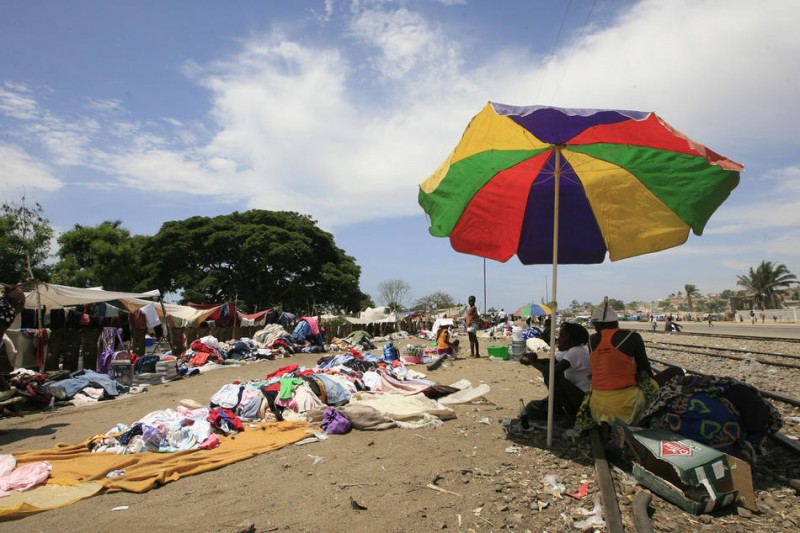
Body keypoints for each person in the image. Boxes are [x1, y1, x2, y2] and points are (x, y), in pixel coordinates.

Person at [574, 297, 682, 434]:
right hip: (627, 406)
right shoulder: (632, 336)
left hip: (597, 406)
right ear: (615, 322)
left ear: (599, 325)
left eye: (595, 325)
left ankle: (608, 422)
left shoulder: (592, 340)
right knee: (675, 371)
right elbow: (646, 371)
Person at [520, 322, 591, 427]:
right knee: (553, 375)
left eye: (562, 337)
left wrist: (533, 363)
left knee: (553, 378)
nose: (558, 339)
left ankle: (571, 416)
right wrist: (534, 360)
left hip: (584, 399)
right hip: (578, 395)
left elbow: (551, 371)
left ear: (572, 340)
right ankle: (564, 412)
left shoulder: (576, 352)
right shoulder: (570, 351)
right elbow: (550, 362)